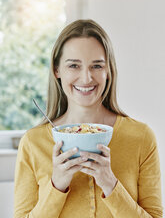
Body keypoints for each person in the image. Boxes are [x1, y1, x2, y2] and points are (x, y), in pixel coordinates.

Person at [14, 19, 163, 218]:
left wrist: (110, 183)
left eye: (97, 66)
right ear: (57, 70)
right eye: (74, 65)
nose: (86, 78)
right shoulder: (33, 143)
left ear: (108, 70)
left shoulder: (141, 137)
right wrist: (56, 186)